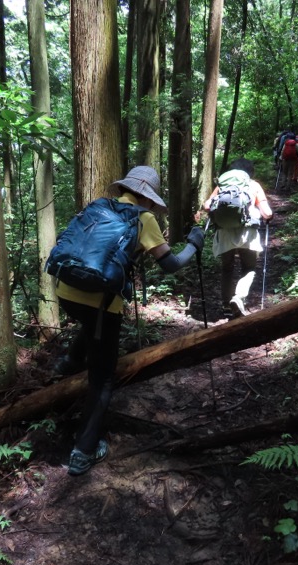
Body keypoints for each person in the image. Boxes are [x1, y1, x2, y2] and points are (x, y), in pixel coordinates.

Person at [54, 166, 204, 476]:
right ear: (148, 196)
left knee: (89, 323)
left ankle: (67, 362)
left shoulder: (97, 205)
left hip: (66, 290)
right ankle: (83, 452)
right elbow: (171, 265)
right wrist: (194, 243)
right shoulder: (144, 218)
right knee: (102, 378)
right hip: (102, 303)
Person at [202, 158, 273, 318]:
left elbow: (207, 206)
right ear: (250, 171)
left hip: (225, 232)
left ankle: (226, 305)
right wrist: (269, 216)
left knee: (227, 269)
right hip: (247, 233)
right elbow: (266, 212)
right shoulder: (253, 185)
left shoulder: (223, 185)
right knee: (249, 268)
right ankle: (238, 298)